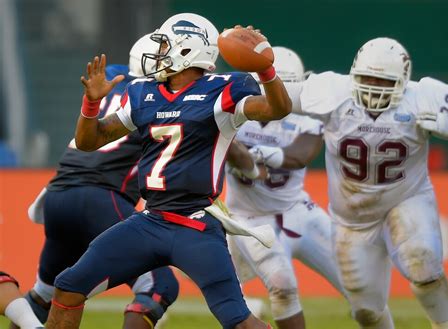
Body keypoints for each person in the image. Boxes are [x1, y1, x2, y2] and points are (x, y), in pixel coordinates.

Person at [45, 13, 291, 329]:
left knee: (238, 320)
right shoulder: (144, 93)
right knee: (68, 287)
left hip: (196, 225)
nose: (158, 52)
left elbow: (277, 109)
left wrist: (266, 72)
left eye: (165, 45)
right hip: (150, 220)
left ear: (187, 49)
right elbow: (88, 141)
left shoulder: (223, 89)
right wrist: (91, 105)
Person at [284, 37, 448, 329]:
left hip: (406, 197)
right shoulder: (332, 92)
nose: (373, 85)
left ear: (403, 81)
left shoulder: (422, 97)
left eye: (382, 80)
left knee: (424, 262)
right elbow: (281, 98)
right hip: (352, 218)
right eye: (367, 77)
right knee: (366, 311)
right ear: (353, 74)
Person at [22, 33, 179, 329]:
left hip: (57, 195)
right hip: (102, 199)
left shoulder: (113, 79)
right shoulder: (155, 96)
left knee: (45, 293)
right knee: (159, 286)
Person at [225, 46, 345, 329]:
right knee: (281, 285)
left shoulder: (307, 117)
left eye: (284, 86)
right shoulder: (233, 114)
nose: (278, 93)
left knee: (360, 284)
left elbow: (299, 156)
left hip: (297, 209)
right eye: (270, 85)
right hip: (248, 218)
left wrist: (258, 155)